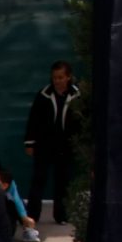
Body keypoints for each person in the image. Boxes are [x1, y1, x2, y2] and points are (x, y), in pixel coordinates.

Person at [24, 60, 80, 224]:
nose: (58, 80)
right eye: (55, 77)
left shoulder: (76, 95)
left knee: (62, 181)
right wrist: (30, 143)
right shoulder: (44, 95)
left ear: (68, 77)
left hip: (66, 145)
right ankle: (32, 215)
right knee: (38, 180)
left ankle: (61, 215)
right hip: (45, 145)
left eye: (61, 77)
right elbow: (33, 120)